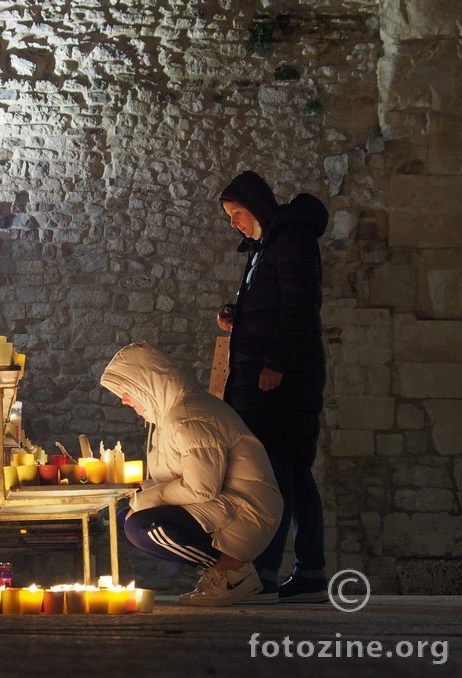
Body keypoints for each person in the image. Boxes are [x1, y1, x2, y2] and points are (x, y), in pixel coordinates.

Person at [216, 170, 329, 603]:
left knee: (276, 476)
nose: (234, 223)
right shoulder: (267, 246)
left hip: (284, 381)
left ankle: (262, 570)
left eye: (236, 213)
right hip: (275, 377)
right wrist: (236, 316)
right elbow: (272, 304)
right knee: (294, 474)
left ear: (256, 206)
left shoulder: (290, 239)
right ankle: (310, 573)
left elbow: (300, 306)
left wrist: (276, 363)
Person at [100, 340, 282, 607]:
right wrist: (140, 491)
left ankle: (233, 572)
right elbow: (181, 477)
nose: (124, 400)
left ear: (147, 385)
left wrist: (144, 501)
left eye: (126, 391)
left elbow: (202, 488)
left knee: (141, 526)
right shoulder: (170, 415)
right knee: (123, 516)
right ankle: (223, 571)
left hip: (246, 510)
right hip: (225, 503)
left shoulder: (189, 416)